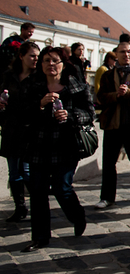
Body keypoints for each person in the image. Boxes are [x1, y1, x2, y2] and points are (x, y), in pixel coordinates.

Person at [21, 46, 93, 251]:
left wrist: (70, 116)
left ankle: (77, 216)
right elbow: (23, 113)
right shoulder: (32, 85)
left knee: (62, 187)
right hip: (38, 145)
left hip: (66, 146)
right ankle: (40, 237)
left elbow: (89, 113)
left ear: (63, 64)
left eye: (54, 60)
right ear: (41, 64)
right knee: (37, 192)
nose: (50, 64)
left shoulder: (77, 86)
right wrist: (40, 105)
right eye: (45, 60)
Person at [95, 42, 130, 209]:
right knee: (108, 163)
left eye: (129, 52)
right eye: (122, 52)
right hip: (113, 123)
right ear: (116, 54)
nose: (126, 55)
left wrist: (129, 93)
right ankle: (107, 197)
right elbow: (101, 97)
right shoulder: (107, 75)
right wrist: (116, 95)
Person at [0, 41, 40, 222]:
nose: (36, 59)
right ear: (21, 56)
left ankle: (38, 207)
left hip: (29, 131)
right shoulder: (9, 75)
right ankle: (20, 207)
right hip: (11, 129)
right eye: (32, 56)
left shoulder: (38, 77)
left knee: (27, 172)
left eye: (38, 56)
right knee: (13, 173)